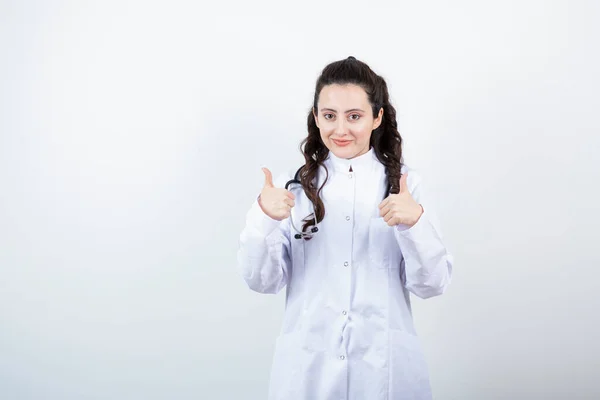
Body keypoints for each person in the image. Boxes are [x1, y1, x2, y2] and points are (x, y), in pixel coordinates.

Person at [237, 56, 454, 400]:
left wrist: (415, 224)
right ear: (316, 116)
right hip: (308, 369)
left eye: (354, 116)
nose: (340, 129)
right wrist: (263, 218)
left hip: (385, 371)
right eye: (329, 116)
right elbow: (262, 282)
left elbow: (432, 285)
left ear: (377, 117)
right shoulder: (289, 190)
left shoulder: (407, 187)